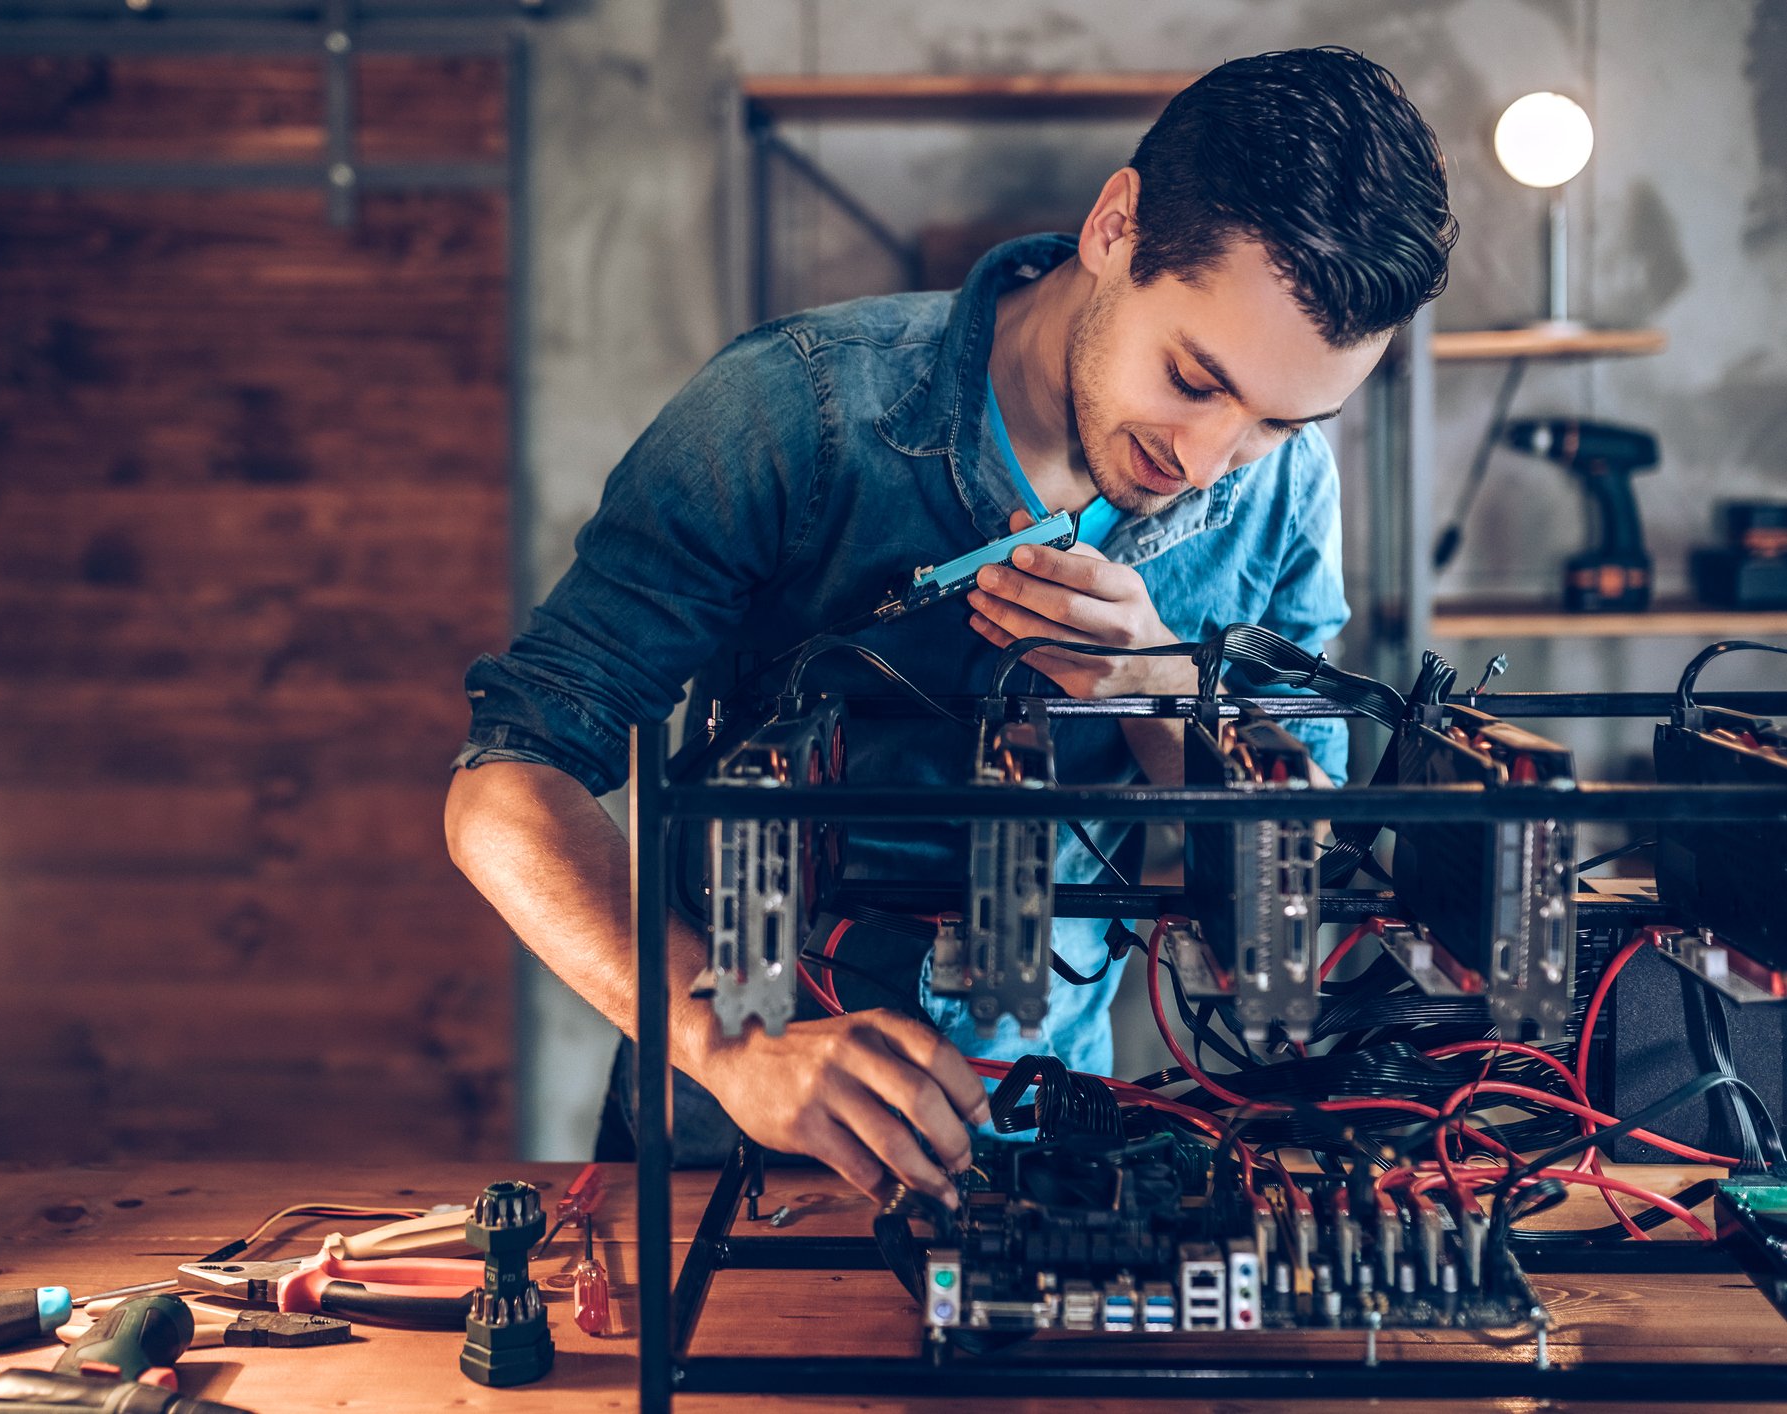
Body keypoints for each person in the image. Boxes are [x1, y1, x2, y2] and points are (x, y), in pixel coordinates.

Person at [446, 46, 1455, 1209]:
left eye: (1280, 423)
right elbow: (503, 787)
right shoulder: (795, 415)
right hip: (732, 1141)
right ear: (1115, 227)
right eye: (1192, 377)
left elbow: (1294, 878)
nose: (1206, 464)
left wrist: (1168, 697)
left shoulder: (1285, 497)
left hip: (1049, 1137)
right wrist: (730, 1041)